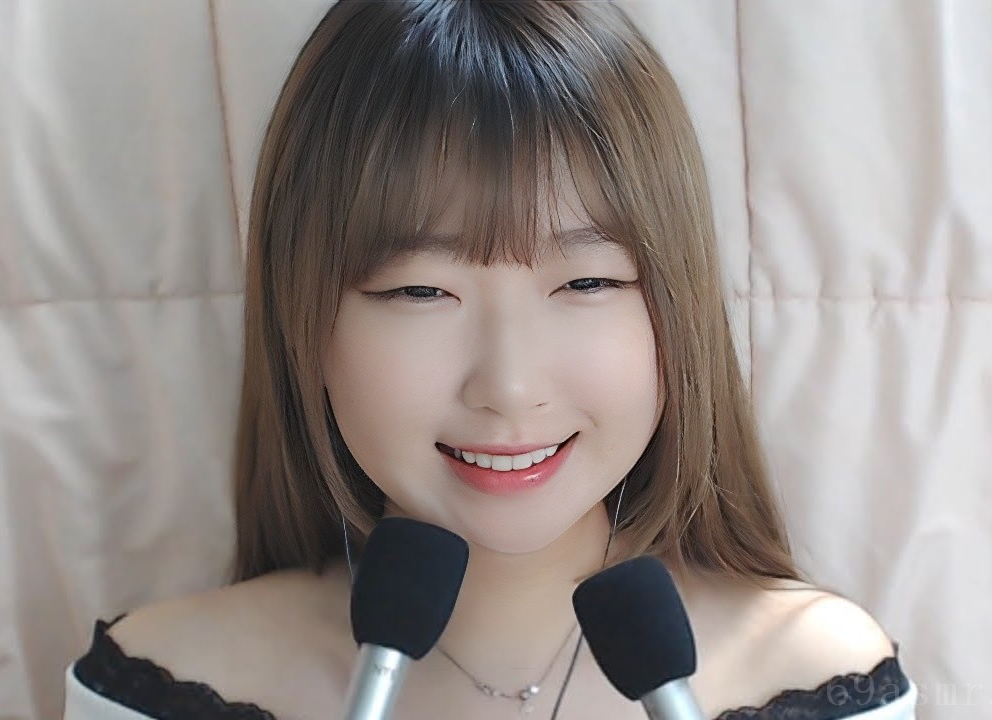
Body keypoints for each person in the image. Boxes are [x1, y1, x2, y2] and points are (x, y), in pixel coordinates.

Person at [63, 1, 918, 718]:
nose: (508, 387)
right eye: (419, 291)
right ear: (304, 322)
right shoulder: (161, 682)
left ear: (676, 308)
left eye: (585, 281)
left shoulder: (810, 670)